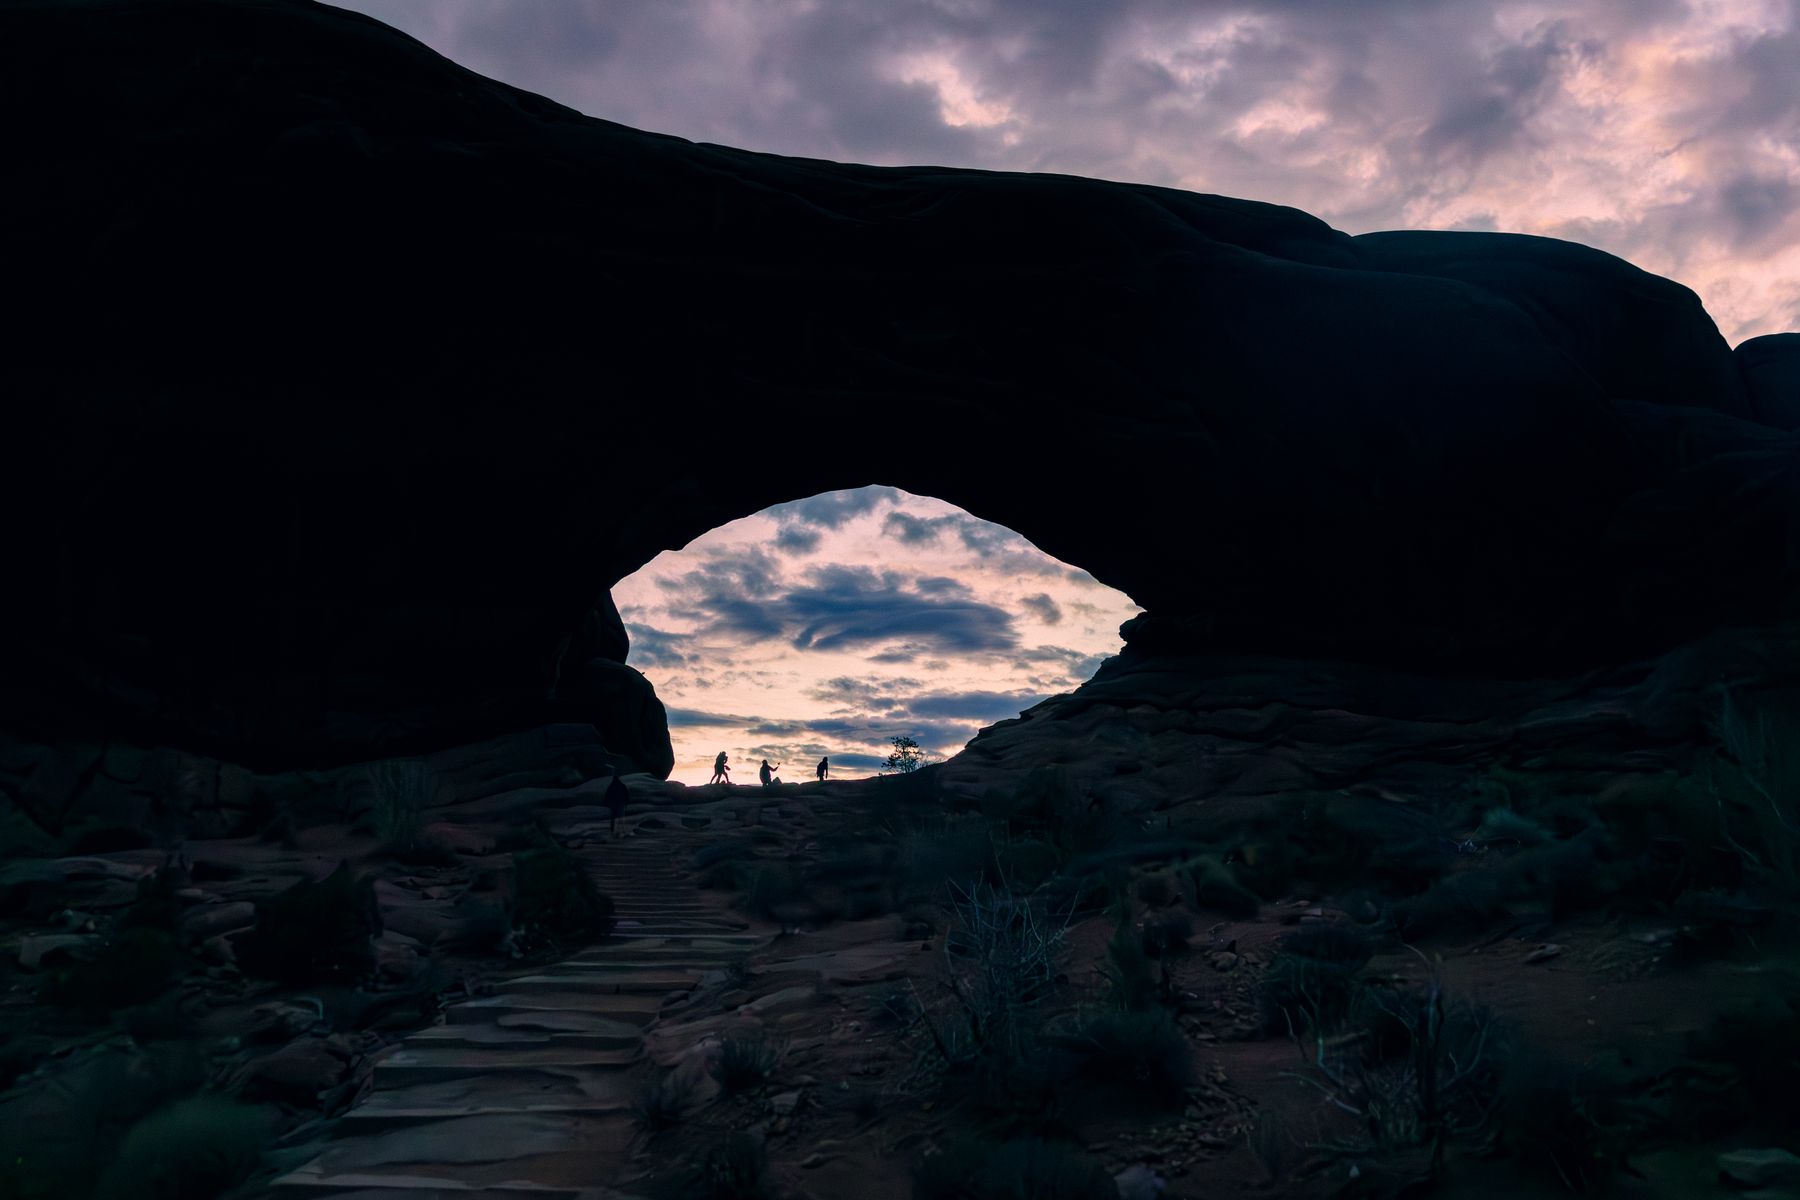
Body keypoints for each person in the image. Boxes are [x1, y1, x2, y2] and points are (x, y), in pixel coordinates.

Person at [605, 773, 630, 839]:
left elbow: (607, 796)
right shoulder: (622, 785)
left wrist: (607, 804)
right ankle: (621, 832)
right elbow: (626, 794)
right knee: (621, 818)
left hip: (613, 804)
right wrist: (627, 803)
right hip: (621, 803)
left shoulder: (611, 786)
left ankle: (613, 832)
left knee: (613, 818)